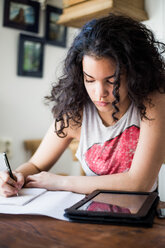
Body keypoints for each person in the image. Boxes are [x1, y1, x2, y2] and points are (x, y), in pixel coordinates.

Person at [0, 14, 165, 197]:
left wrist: (61, 181)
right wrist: (17, 176)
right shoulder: (76, 113)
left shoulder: (154, 100)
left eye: (112, 81)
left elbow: (139, 183)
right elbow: (36, 165)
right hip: (90, 212)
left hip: (141, 214)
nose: (99, 93)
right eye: (90, 80)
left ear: (135, 73)